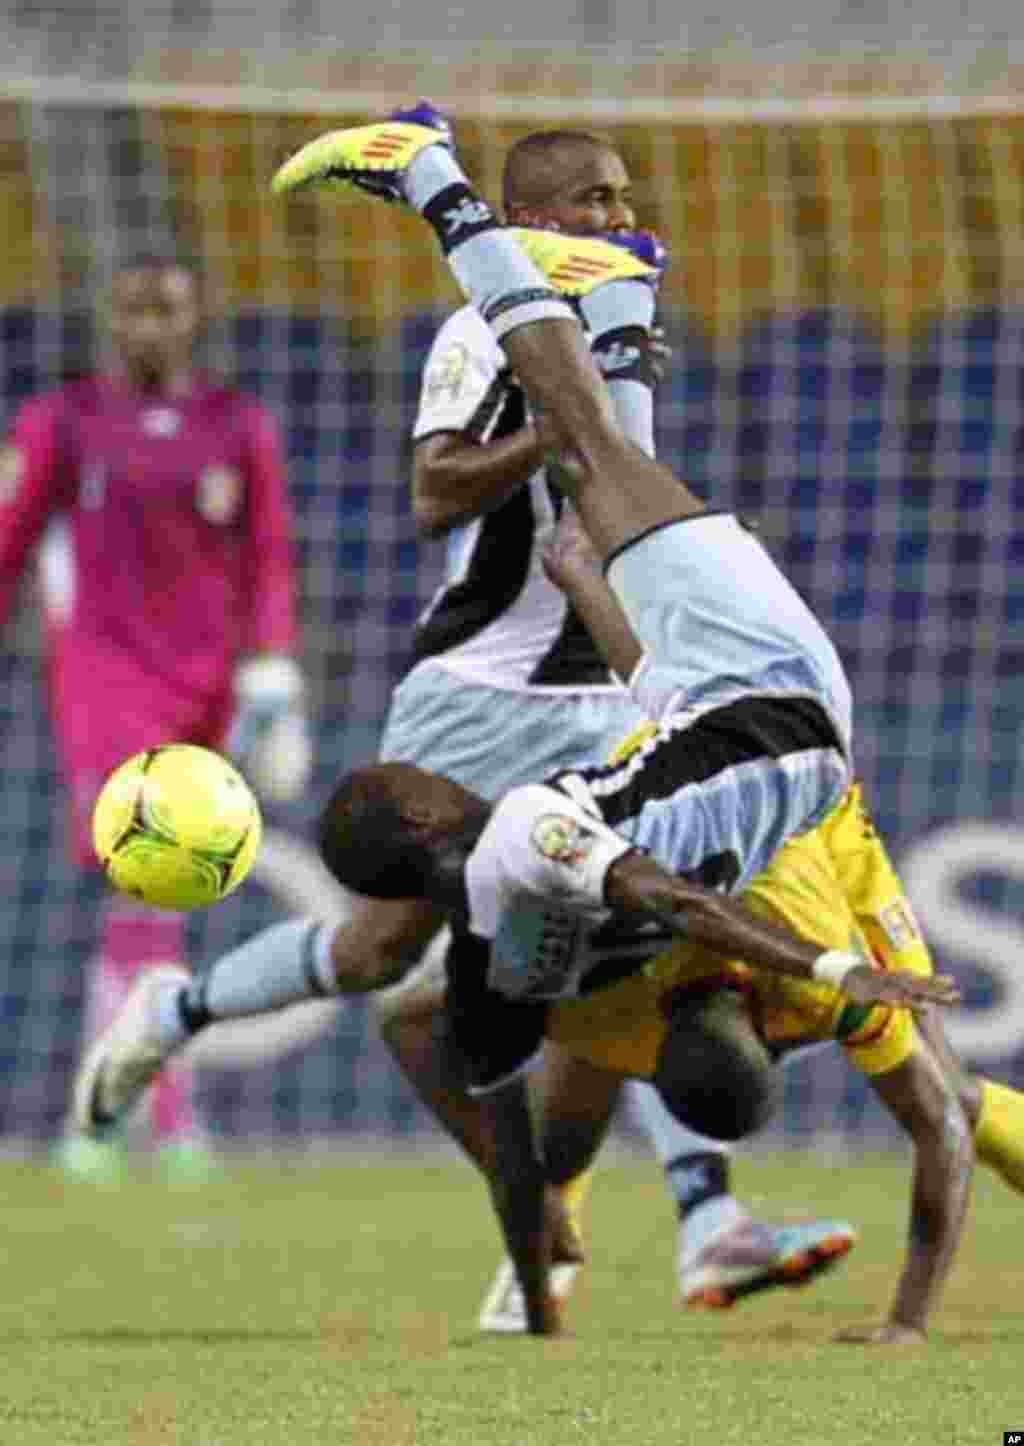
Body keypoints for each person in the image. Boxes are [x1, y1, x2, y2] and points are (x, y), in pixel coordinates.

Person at [76, 111, 961, 1335]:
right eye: (594, 202)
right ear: (535, 220)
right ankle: (177, 1011)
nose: (617, 212)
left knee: (636, 948)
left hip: (606, 684)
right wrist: (560, 411)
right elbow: (435, 488)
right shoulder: (475, 334)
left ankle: (693, 1219)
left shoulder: (578, 332)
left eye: (624, 199)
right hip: (482, 689)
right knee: (384, 952)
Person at [0, 254, 310, 1181]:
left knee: (159, 894)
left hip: (209, 686)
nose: (150, 325)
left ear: (196, 318)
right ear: (111, 319)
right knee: (142, 873)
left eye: (167, 309)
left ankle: (111, 1116)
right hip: (102, 676)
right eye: (135, 308)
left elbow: (268, 554)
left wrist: (273, 667)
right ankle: (158, 1119)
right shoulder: (63, 421)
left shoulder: (237, 426)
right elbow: (10, 540)